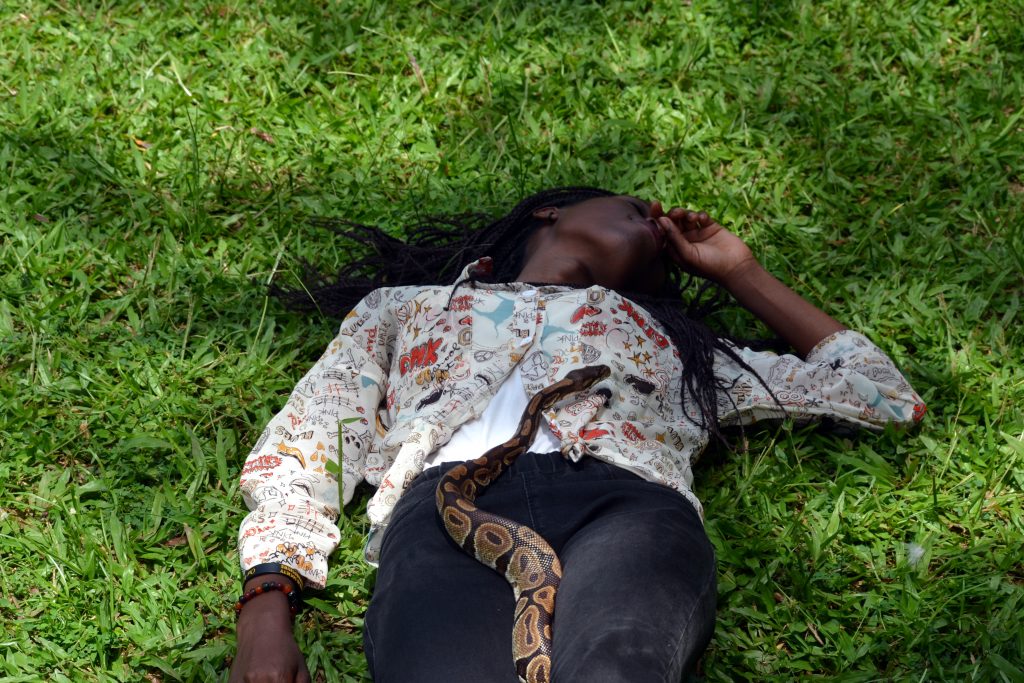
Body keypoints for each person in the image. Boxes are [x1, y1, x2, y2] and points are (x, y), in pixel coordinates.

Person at [229, 187, 925, 683]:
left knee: (619, 664)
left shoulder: (679, 344)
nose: (658, 222)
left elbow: (883, 396)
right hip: (445, 510)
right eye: (634, 207)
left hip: (625, 504)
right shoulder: (408, 308)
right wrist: (266, 607)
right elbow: (308, 440)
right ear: (550, 211)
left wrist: (741, 272)